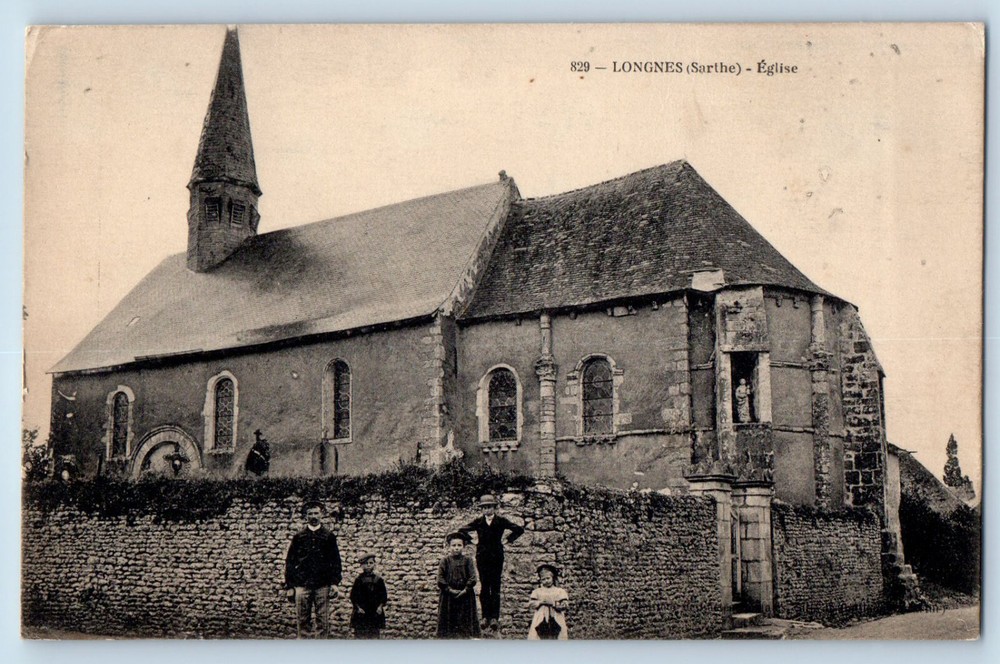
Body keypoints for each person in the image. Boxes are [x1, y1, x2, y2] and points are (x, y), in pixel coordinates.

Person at [459, 494, 524, 632]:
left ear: (495, 508)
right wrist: (472, 541)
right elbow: (462, 530)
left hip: (496, 557)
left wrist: (507, 540)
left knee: (495, 587)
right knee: (484, 586)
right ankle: (485, 617)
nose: (487, 510)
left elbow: (519, 529)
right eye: (484, 508)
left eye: (489, 507)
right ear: (482, 509)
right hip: (482, 557)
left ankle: (494, 617)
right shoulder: (478, 521)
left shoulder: (501, 521)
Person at [284, 500, 343, 639]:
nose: (313, 516)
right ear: (306, 516)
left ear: (321, 515)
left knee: (323, 621)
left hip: (322, 585)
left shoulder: (329, 536)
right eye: (310, 513)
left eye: (316, 513)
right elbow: (290, 562)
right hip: (302, 585)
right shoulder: (299, 537)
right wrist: (290, 586)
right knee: (302, 620)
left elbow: (335, 561)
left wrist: (334, 583)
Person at [436, 531, 480, 639]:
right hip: (448, 597)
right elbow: (440, 579)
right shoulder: (445, 561)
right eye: (454, 545)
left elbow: (473, 577)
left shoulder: (468, 560)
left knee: (464, 625)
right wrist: (449, 590)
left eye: (459, 545)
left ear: (463, 546)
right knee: (448, 625)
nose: (456, 548)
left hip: (465, 597)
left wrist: (465, 590)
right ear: (449, 547)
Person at [349, 551, 388, 639]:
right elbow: (353, 596)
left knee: (374, 634)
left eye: (371, 563)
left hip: (374, 612)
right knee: (360, 635)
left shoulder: (379, 580)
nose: (368, 565)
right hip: (362, 612)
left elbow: (383, 596)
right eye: (366, 563)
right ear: (362, 565)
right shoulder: (358, 580)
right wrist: (358, 608)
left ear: (374, 564)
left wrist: (380, 607)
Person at [527, 563, 569, 640]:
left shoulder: (559, 591)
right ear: (540, 580)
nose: (546, 581)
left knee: (558, 636)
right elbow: (531, 604)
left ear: (553, 578)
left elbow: (565, 605)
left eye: (548, 578)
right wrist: (540, 602)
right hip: (540, 617)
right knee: (538, 636)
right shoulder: (537, 591)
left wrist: (553, 604)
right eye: (543, 579)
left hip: (556, 617)